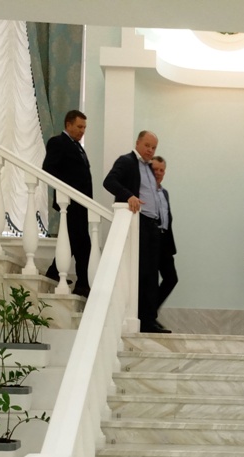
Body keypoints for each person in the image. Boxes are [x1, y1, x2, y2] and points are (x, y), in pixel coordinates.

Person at [103, 130, 167, 333]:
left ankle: (149, 319)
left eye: (153, 147)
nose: (150, 150)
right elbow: (109, 181)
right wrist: (128, 196)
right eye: (147, 145)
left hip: (152, 226)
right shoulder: (127, 161)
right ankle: (141, 319)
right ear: (138, 143)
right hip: (138, 223)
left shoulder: (149, 168)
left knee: (151, 274)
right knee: (141, 273)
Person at [42, 109, 92, 297]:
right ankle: (82, 284)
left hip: (81, 204)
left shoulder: (78, 147)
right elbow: (48, 169)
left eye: (84, 127)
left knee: (73, 241)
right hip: (70, 203)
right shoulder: (58, 142)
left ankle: (54, 272)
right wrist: (67, 189)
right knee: (83, 243)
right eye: (79, 126)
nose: (82, 131)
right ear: (68, 124)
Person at [150, 156, 178, 324]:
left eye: (161, 170)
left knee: (171, 278)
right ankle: (149, 317)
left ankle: (150, 312)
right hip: (151, 242)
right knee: (151, 282)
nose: (158, 173)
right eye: (155, 169)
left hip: (165, 242)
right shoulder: (145, 191)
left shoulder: (164, 192)